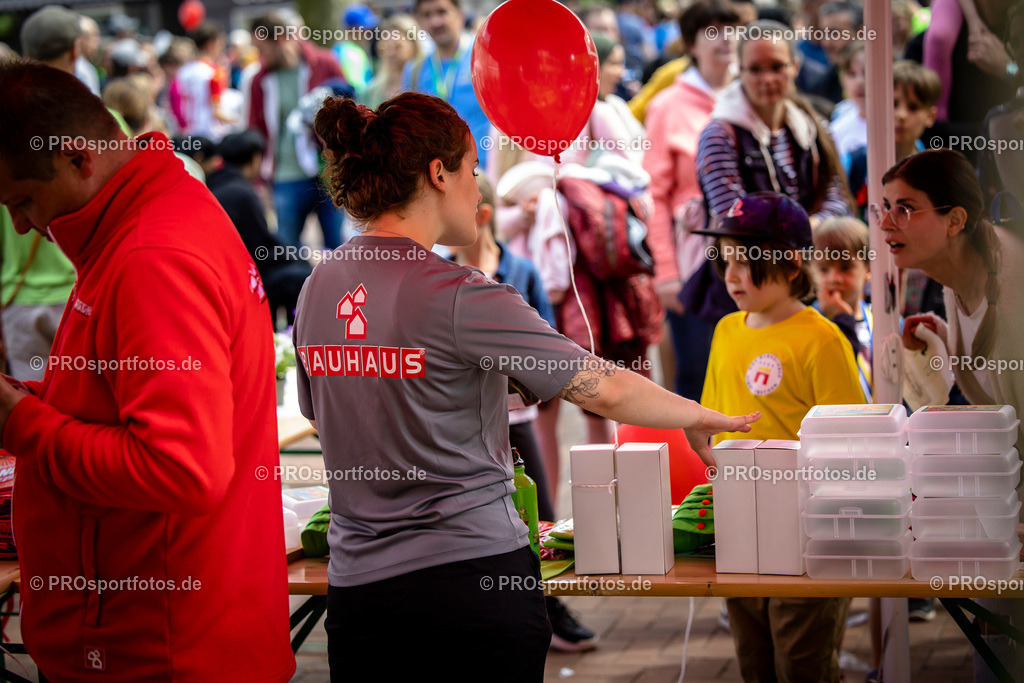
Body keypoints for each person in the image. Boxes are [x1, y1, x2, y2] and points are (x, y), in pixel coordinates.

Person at [297, 91, 759, 682]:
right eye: (472, 168)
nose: (480, 182)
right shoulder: (461, 292)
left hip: (360, 593)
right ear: (438, 174)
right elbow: (604, 388)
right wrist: (694, 414)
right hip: (470, 582)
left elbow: (324, 413)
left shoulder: (319, 285)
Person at [0, 60, 293, 682]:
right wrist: (23, 399)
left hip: (158, 647)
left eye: (23, 200)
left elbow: (180, 469)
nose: (22, 225)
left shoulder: (149, 255)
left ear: (79, 158)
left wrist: (23, 420)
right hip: (169, 631)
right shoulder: (152, 215)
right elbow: (120, 399)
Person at [696, 192, 864, 682]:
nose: (730, 276)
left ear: (791, 265)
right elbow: (711, 422)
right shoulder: (725, 330)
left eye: (745, 262)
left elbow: (850, 441)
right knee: (754, 659)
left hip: (805, 532)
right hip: (736, 528)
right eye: (725, 261)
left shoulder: (822, 338)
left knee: (803, 660)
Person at [881, 148, 1024, 682]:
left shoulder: (1014, 284)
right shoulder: (954, 277)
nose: (888, 223)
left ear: (955, 219)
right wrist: (945, 344)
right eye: (884, 208)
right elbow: (993, 394)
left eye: (907, 208)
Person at [449, 173, 598, 652]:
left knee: (540, 518)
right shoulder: (440, 277)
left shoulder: (520, 271)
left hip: (516, 422)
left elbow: (547, 347)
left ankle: (550, 607)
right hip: (466, 430)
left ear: (483, 216)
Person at [643, 0, 739, 401]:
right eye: (712, 31)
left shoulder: (751, 92)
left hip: (756, 259)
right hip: (697, 267)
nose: (725, 39)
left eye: (731, 28)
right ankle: (702, 467)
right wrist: (666, 272)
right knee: (700, 385)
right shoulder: (666, 105)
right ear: (690, 44)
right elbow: (654, 195)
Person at [248, 11, 347, 250]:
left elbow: (350, 110)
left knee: (339, 251)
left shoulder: (325, 64)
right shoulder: (259, 79)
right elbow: (256, 129)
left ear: (280, 39)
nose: (259, 56)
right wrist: (260, 180)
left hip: (328, 171)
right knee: (287, 251)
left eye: (262, 49)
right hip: (285, 176)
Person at [208, 129, 313, 329]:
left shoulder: (218, 183)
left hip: (225, 268)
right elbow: (262, 246)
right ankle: (289, 336)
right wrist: (299, 257)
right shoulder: (242, 193)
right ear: (255, 159)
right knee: (302, 276)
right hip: (242, 274)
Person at [405, 0, 492, 166]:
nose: (435, 21)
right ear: (419, 21)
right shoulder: (414, 70)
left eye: (442, 12)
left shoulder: (485, 58)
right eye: (427, 15)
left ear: (460, 14)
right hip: (441, 178)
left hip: (486, 173)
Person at [172, 21, 236, 142]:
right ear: (211, 44)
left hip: (187, 135)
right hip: (210, 137)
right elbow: (216, 111)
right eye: (221, 44)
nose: (222, 49)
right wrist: (238, 120)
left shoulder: (182, 72)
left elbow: (175, 106)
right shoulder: (215, 72)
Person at [364, 15, 420, 109]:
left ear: (414, 46)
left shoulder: (424, 82)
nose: (390, 52)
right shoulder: (371, 91)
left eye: (397, 46)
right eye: (386, 47)